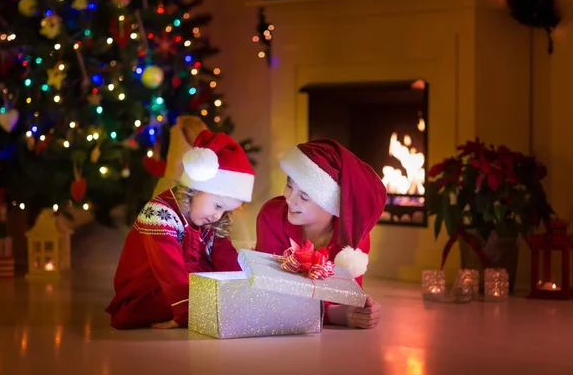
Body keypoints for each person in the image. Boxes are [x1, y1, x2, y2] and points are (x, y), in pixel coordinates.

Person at [106, 130, 255, 330]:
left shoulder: (211, 219)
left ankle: (212, 303)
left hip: (187, 284)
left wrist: (243, 289)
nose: (217, 216)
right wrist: (185, 313)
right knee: (207, 297)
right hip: (153, 288)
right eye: (218, 206)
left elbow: (225, 257)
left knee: (224, 290)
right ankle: (197, 306)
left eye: (226, 211)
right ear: (195, 188)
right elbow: (169, 271)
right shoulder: (159, 213)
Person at [255, 139, 387, 329]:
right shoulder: (272, 216)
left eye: (304, 196)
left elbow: (345, 297)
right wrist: (332, 314)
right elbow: (272, 293)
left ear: (333, 206)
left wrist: (362, 310)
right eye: (290, 185)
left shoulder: (352, 242)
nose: (289, 198)